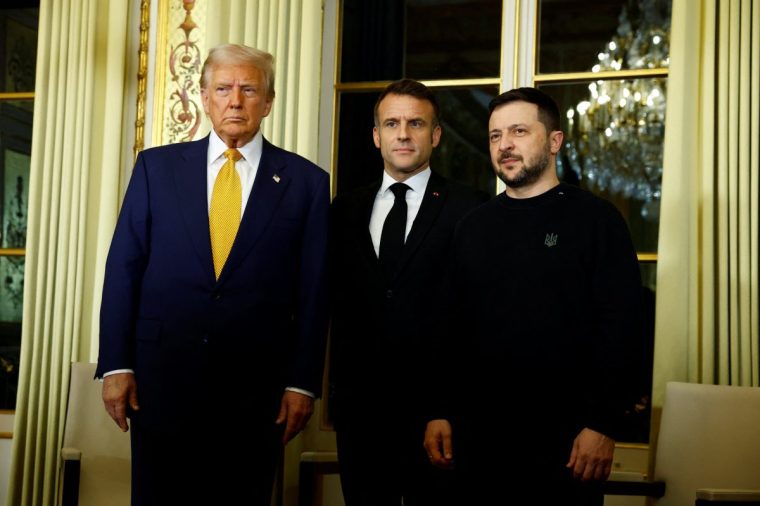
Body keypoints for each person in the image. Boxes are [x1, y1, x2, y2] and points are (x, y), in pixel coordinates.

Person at [96, 44, 329, 506]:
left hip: (256, 392)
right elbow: (124, 266)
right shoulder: (155, 169)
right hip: (160, 382)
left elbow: (315, 289)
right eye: (223, 89)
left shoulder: (306, 182)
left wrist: (302, 382)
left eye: (249, 89)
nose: (235, 101)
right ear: (204, 96)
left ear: (269, 100)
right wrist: (117, 364)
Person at [424, 87, 642, 505]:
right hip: (477, 446)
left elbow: (622, 329)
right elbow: (448, 329)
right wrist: (439, 410)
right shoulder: (472, 227)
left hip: (568, 449)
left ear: (555, 141)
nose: (504, 145)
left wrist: (603, 424)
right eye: (494, 135)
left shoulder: (597, 221)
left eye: (519, 131)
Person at [329, 79, 489, 506]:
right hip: (360, 418)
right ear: (376, 135)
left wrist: (447, 409)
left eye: (415, 123)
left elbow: (476, 322)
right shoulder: (343, 210)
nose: (403, 133)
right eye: (392, 123)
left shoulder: (471, 209)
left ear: (435, 135)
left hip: (436, 422)